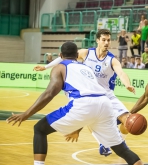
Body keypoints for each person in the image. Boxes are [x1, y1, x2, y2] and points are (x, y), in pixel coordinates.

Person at [9, 42, 148, 165]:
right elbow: (92, 104)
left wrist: (26, 114)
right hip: (105, 105)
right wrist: (77, 128)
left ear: (60, 55)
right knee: (121, 149)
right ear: (76, 54)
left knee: (39, 129)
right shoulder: (85, 68)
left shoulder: (60, 67)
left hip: (83, 104)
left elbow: (49, 94)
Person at [33, 29, 135, 157]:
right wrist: (45, 67)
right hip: (88, 94)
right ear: (97, 40)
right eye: (103, 40)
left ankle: (118, 139)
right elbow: (62, 57)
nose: (106, 42)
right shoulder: (86, 53)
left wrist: (127, 84)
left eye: (108, 40)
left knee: (128, 121)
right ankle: (103, 142)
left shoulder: (112, 60)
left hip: (107, 95)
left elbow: (121, 73)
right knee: (91, 117)